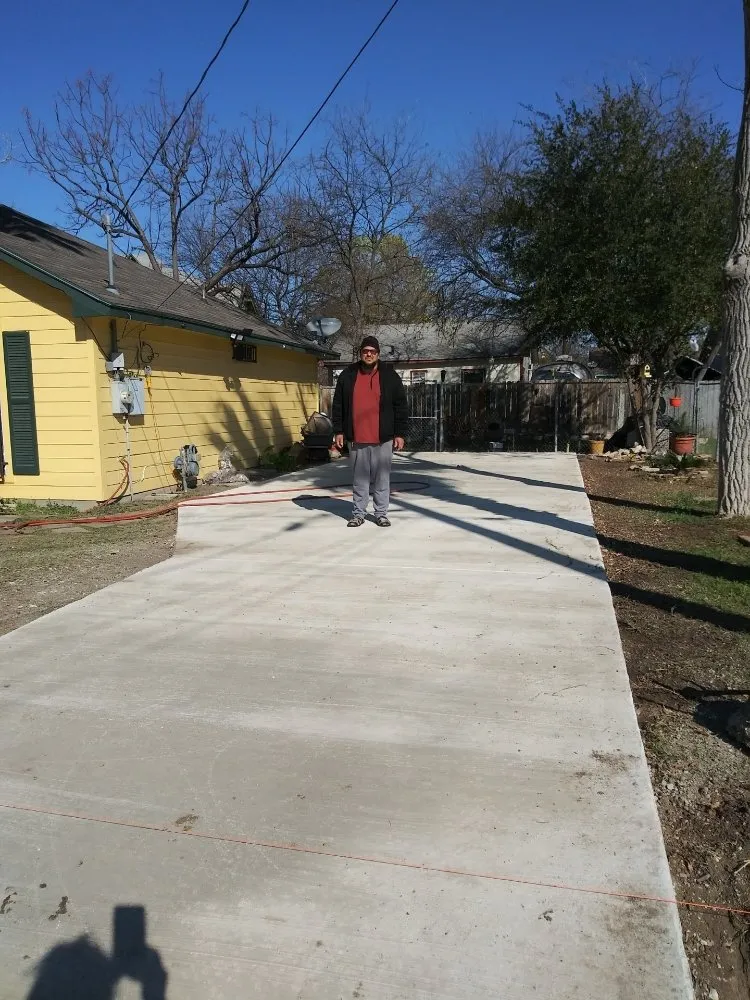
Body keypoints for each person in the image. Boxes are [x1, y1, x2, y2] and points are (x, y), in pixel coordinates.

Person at [332, 335, 407, 527]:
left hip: (383, 437)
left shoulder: (390, 376)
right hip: (357, 437)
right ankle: (358, 513)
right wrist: (339, 430)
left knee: (382, 478)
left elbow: (401, 406)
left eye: (372, 352)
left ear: (378, 354)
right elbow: (338, 404)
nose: (369, 354)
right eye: (365, 351)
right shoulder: (348, 375)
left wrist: (400, 433)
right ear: (361, 353)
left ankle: (381, 513)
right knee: (360, 479)